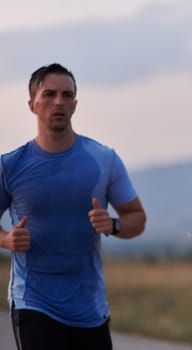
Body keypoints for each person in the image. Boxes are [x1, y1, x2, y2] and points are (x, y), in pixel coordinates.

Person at [0, 63, 147, 350]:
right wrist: (6, 239)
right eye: (50, 94)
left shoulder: (103, 159)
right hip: (33, 302)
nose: (59, 102)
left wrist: (114, 224)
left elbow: (137, 218)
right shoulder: (11, 165)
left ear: (75, 104)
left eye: (67, 95)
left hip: (89, 308)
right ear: (32, 104)